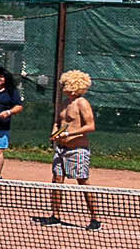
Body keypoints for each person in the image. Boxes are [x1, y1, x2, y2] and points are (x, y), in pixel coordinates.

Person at [35, 69, 100, 230]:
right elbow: (58, 122)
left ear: (74, 85)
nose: (62, 85)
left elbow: (90, 126)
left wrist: (69, 133)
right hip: (60, 149)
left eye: (65, 83)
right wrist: (54, 132)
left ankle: (95, 219)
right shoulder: (64, 103)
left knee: (83, 181)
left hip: (77, 150)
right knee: (56, 180)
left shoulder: (82, 103)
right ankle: (55, 216)